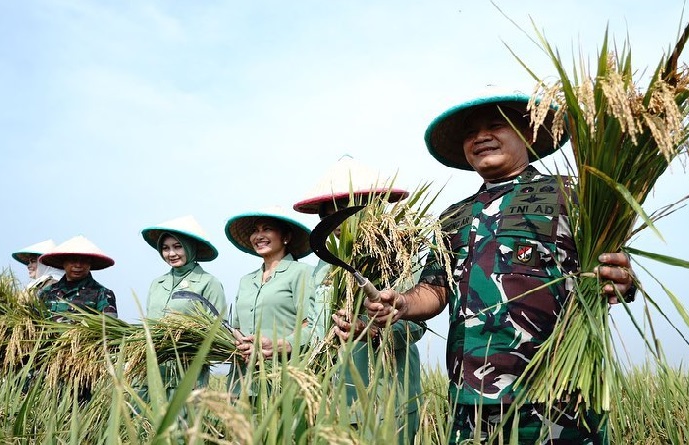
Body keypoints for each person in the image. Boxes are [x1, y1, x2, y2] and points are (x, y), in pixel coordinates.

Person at [365, 90, 635, 444]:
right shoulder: (454, 216)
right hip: (471, 401)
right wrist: (401, 303)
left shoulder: (571, 195)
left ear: (526, 133)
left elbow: (615, 269)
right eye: (470, 133)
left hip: (558, 394)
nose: (481, 137)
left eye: (496, 125)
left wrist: (624, 280)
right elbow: (435, 288)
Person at [292, 156, 422, 444]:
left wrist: (372, 331)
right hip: (335, 397)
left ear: (371, 208)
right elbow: (315, 329)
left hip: (387, 396)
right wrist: (284, 345)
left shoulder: (397, 255)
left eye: (347, 211)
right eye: (330, 215)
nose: (338, 222)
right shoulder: (323, 266)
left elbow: (416, 324)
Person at [224, 206, 317, 394]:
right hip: (242, 381)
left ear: (286, 237)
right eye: (254, 231)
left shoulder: (301, 273)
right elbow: (237, 329)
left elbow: (312, 326)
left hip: (284, 378)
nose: (258, 236)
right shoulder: (246, 281)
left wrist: (280, 344)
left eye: (266, 229)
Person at [141, 215, 227, 390]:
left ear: (190, 247)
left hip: (187, 369)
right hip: (152, 368)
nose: (171, 254)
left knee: (184, 416)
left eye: (178, 247)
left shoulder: (208, 282)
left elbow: (218, 328)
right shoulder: (157, 284)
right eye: (165, 248)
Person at [37, 235, 118, 320]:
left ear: (90, 264)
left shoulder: (102, 294)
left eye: (84, 261)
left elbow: (107, 328)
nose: (78, 265)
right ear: (63, 262)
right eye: (73, 260)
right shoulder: (46, 293)